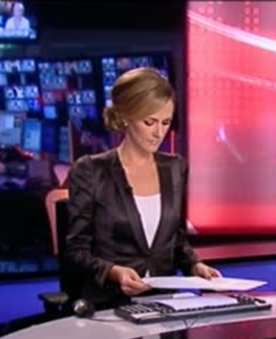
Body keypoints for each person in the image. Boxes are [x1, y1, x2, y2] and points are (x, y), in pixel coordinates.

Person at [66, 67, 220, 308]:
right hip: (109, 305)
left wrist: (194, 265)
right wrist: (113, 272)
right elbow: (76, 251)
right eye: (149, 122)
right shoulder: (91, 171)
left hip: (164, 305)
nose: (159, 133)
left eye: (165, 122)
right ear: (126, 116)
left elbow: (176, 240)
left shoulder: (176, 168)